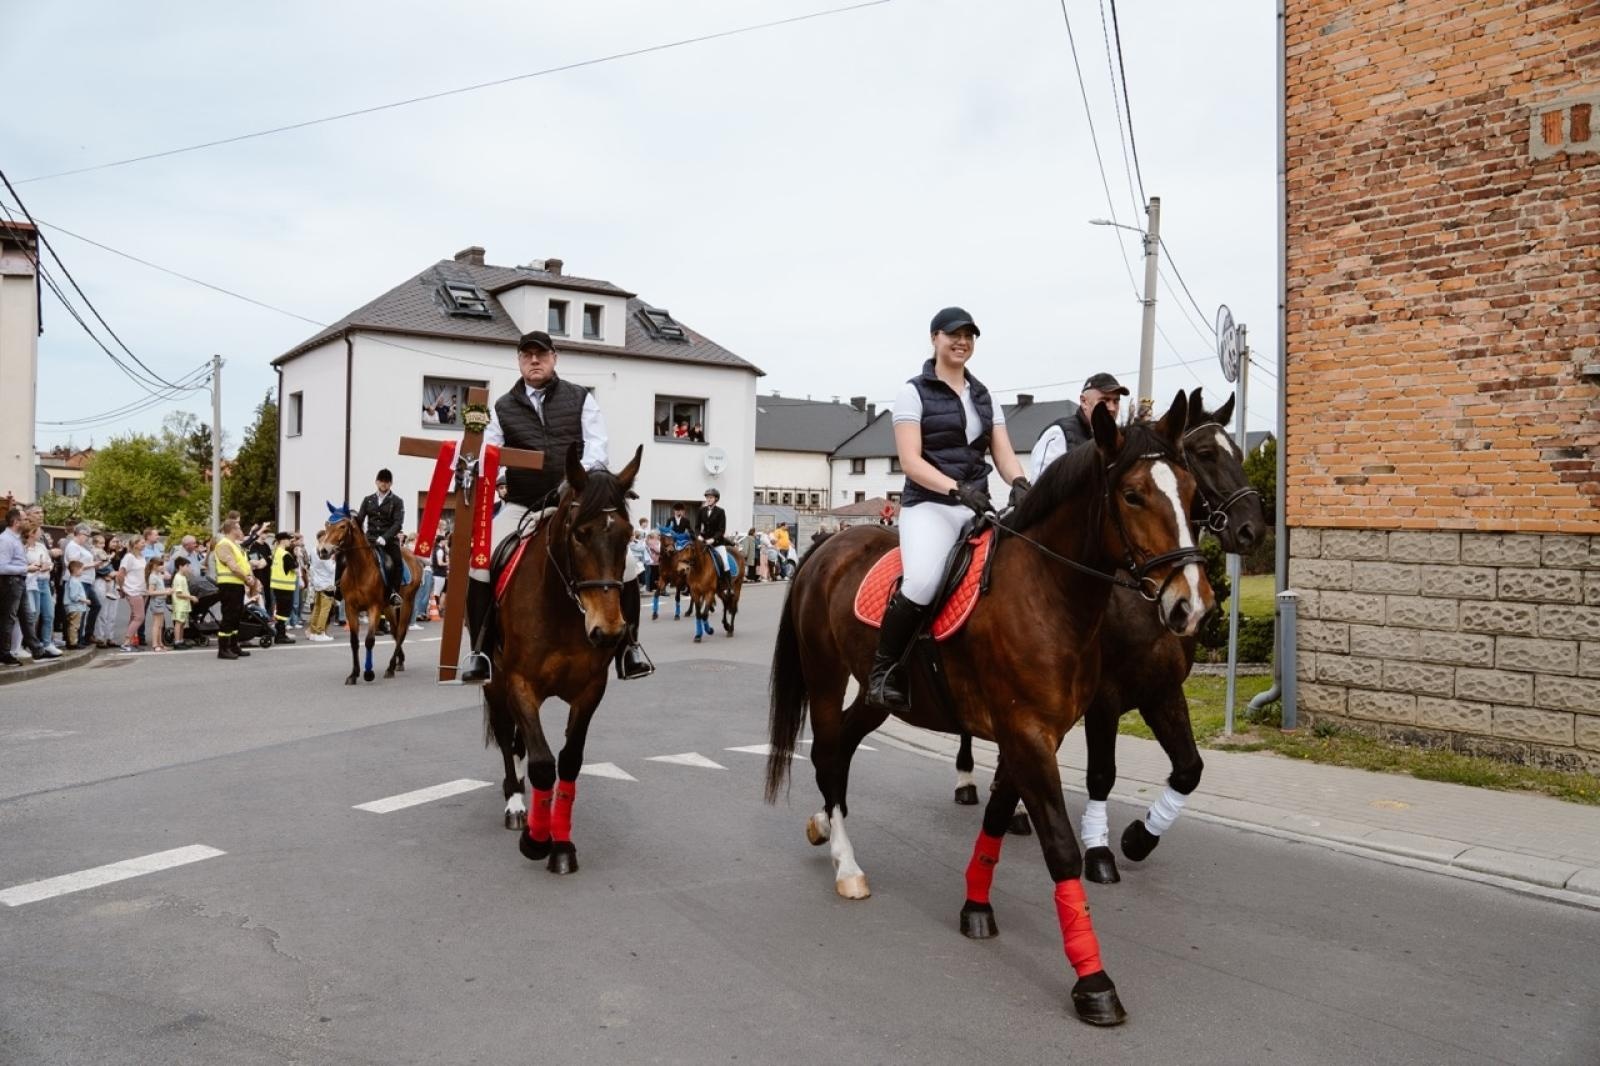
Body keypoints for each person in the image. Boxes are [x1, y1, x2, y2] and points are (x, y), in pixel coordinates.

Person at [867, 306, 1029, 709]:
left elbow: (1003, 454)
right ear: (934, 338)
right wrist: (956, 489)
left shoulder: (985, 396)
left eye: (969, 336)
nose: (962, 342)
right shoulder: (913, 392)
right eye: (954, 334)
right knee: (922, 582)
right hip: (930, 505)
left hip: (976, 505)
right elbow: (911, 461)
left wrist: (1019, 482)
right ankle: (884, 671)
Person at [466, 328, 650, 681]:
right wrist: (493, 472)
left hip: (575, 502)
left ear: (554, 358)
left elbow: (597, 450)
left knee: (627, 565)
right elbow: (491, 453)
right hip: (523, 504)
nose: (534, 360)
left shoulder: (581, 398)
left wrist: (573, 484)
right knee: (481, 563)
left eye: (541, 354)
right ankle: (480, 652)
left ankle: (630, 648)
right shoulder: (501, 407)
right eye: (527, 355)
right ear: (519, 361)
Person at [1029, 372, 1130, 481]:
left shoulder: (1119, 440)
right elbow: (1041, 485)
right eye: (1105, 401)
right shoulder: (1059, 434)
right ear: (1084, 401)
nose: (1112, 408)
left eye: (1116, 402)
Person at [0, 507, 60, 665]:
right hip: (11, 582)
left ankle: (37, 650)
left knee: (27, 617)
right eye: (25, 519)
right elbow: (2, 567)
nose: (28, 521)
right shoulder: (5, 539)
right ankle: (4, 653)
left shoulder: (16, 539)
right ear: (16, 522)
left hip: (20, 581)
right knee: (9, 619)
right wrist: (26, 568)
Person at [351, 470, 405, 607]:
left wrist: (385, 538)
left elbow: (398, 523)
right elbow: (360, 519)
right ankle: (338, 587)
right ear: (376, 482)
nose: (384, 484)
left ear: (391, 484)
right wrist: (350, 519)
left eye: (387, 482)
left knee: (397, 562)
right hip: (370, 539)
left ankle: (394, 592)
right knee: (348, 555)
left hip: (388, 540)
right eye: (381, 481)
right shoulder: (368, 499)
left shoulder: (397, 501)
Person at [212, 518, 259, 661]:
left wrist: (249, 577)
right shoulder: (224, 544)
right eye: (238, 528)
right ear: (232, 530)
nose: (241, 530)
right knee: (229, 616)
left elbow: (243, 564)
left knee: (236, 616)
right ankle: (223, 648)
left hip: (237, 584)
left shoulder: (235, 545)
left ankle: (233, 645)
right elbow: (233, 566)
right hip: (228, 585)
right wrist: (246, 578)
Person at [64, 525, 99, 645]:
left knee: (95, 605)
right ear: (79, 534)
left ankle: (87, 634)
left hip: (87, 580)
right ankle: (78, 639)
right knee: (80, 609)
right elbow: (74, 566)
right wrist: (93, 564)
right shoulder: (72, 546)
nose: (87, 538)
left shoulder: (81, 547)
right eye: (86, 535)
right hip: (80, 580)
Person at [695, 488, 733, 589]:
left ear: (716, 499)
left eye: (711, 497)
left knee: (725, 562)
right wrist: (698, 535)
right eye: (707, 497)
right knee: (692, 558)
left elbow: (721, 530)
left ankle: (728, 586)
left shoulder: (720, 512)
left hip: (717, 543)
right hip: (703, 541)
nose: (708, 499)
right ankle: (689, 585)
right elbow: (697, 527)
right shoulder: (701, 510)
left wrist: (713, 539)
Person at [116, 537, 148, 652]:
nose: (144, 544)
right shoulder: (129, 557)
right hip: (133, 590)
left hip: (141, 589)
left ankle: (130, 642)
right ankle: (126, 642)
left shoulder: (141, 557)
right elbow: (120, 574)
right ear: (135, 544)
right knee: (139, 617)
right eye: (142, 543)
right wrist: (122, 588)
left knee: (135, 616)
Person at [306, 535, 338, 642]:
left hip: (318, 583)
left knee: (317, 609)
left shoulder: (313, 550)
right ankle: (320, 632)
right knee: (325, 610)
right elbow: (331, 569)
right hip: (327, 584)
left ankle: (313, 632)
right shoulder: (325, 552)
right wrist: (334, 561)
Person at [269, 531, 298, 644]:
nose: (290, 541)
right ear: (282, 541)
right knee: (284, 612)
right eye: (288, 539)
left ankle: (280, 634)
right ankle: (280, 636)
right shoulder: (285, 554)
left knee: (281, 611)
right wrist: (296, 556)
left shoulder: (276, 552)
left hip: (277, 586)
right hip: (285, 587)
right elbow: (295, 568)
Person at [64, 559, 90, 650]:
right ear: (76, 570)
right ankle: (73, 643)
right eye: (81, 569)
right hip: (75, 607)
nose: (82, 571)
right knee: (74, 625)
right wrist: (85, 600)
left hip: (75, 607)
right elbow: (74, 596)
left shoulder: (73, 580)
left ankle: (72, 641)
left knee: (73, 625)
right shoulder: (74, 581)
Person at [144, 557, 169, 652]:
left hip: (160, 601)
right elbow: (150, 592)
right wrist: (165, 591)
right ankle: (155, 644)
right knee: (156, 624)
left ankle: (160, 643)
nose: (162, 567)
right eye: (160, 565)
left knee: (160, 624)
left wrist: (166, 591)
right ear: (154, 566)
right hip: (156, 602)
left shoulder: (158, 575)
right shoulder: (153, 577)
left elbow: (167, 576)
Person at [170, 556, 195, 649]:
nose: (188, 568)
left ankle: (181, 640)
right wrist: (191, 597)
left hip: (184, 604)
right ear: (180, 566)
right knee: (179, 623)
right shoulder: (178, 578)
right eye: (187, 566)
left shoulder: (183, 577)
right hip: (179, 604)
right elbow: (179, 594)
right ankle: (177, 641)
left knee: (183, 623)